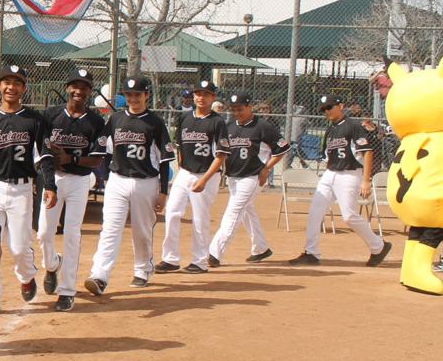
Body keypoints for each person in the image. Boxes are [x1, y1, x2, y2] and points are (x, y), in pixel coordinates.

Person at [84, 76, 173, 296]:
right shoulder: (115, 119)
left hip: (146, 182)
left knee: (141, 231)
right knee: (110, 229)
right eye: (129, 94)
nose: (133, 98)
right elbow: (102, 149)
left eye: (138, 94)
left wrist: (163, 192)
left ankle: (142, 270)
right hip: (118, 180)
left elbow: (164, 160)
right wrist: (103, 176)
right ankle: (100, 275)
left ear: (146, 96)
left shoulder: (155, 122)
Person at [289, 95, 392, 267]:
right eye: (323, 109)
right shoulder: (330, 130)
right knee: (315, 211)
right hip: (330, 174)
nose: (326, 111)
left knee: (349, 216)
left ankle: (378, 246)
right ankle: (311, 252)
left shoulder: (353, 126)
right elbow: (327, 155)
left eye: (330, 107)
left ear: (341, 106)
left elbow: (367, 152)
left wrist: (365, 181)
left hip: (350, 174)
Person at [37, 68, 106, 312]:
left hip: (79, 181)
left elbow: (96, 160)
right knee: (44, 233)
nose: (79, 91)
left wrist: (70, 160)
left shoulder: (96, 121)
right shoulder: (50, 116)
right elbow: (45, 153)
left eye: (84, 87)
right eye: (75, 86)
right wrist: (49, 182)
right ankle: (52, 264)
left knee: (72, 233)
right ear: (68, 88)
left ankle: (67, 291)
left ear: (90, 91)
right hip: (53, 178)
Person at [0, 64, 42, 317]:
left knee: (18, 247)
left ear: (23, 88)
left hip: (22, 188)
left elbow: (41, 157)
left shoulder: (34, 120)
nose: (11, 87)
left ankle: (27, 275)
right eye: (6, 82)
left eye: (16, 83)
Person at [205, 93, 289, 266]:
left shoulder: (262, 126)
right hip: (233, 177)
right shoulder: (229, 127)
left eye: (240, 109)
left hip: (252, 177)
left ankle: (214, 253)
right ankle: (261, 248)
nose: (237, 112)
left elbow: (282, 147)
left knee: (233, 213)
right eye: (234, 109)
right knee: (247, 211)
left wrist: (266, 167)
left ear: (250, 107)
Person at [156, 79, 228, 274]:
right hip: (185, 173)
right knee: (171, 212)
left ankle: (199, 261)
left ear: (213, 97)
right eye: (197, 93)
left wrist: (204, 180)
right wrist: (181, 170)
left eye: (205, 94)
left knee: (200, 218)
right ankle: (170, 259)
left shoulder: (217, 122)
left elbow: (220, 156)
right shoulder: (186, 118)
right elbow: (179, 146)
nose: (200, 97)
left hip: (207, 175)